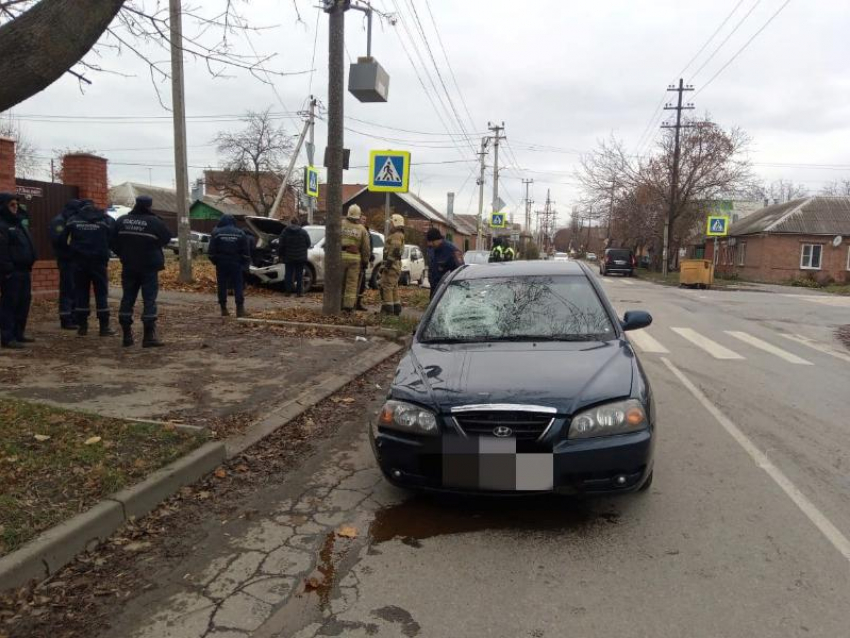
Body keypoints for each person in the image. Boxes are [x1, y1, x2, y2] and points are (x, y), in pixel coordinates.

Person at [111, 195, 172, 348]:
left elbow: (112, 242)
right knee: (149, 300)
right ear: (149, 206)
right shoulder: (155, 222)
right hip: (149, 267)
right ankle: (148, 337)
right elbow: (166, 238)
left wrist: (124, 254)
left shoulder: (122, 220)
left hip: (129, 266)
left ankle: (127, 337)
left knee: (127, 299)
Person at [60, 202, 116, 337]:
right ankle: (104, 327)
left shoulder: (73, 220)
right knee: (101, 294)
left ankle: (82, 327)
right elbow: (113, 238)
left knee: (81, 293)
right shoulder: (104, 220)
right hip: (99, 262)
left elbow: (62, 240)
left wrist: (72, 254)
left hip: (79, 263)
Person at [0, 193, 36, 349]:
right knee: (10, 304)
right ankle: (7, 337)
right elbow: (2, 251)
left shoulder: (19, 223)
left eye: (16, 205)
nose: (15, 208)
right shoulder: (2, 225)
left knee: (23, 303)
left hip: (24, 271)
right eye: (12, 205)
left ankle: (19, 333)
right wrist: (8, 270)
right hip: (12, 272)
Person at [49, 199, 83, 329]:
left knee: (75, 290)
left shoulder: (70, 220)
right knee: (68, 290)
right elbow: (59, 241)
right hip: (66, 261)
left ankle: (74, 317)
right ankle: (66, 319)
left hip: (74, 260)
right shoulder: (60, 221)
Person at [209, 215, 250, 317]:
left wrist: (216, 261)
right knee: (238, 284)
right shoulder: (240, 233)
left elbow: (211, 251)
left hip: (221, 262)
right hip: (236, 262)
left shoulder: (216, 233)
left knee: (222, 285)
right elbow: (246, 251)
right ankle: (240, 309)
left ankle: (223, 308)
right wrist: (243, 263)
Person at [340, 204, 371, 312]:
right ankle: (348, 307)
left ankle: (339, 304)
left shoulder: (340, 225)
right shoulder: (362, 229)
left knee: (340, 282)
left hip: (341, 257)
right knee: (352, 284)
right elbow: (366, 248)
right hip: (355, 259)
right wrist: (365, 261)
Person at [276, 217, 311, 297]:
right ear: (298, 223)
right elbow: (308, 243)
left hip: (288, 257)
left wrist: (280, 255)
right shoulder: (303, 232)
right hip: (300, 257)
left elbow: (281, 245)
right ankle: (299, 292)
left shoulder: (285, 232)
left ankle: (288, 292)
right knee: (299, 275)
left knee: (288, 274)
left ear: (291, 223)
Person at [426, 228, 463, 299]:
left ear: (437, 240)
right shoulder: (431, 249)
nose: (430, 245)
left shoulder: (452, 251)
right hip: (434, 290)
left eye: (431, 242)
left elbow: (460, 272)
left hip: (448, 292)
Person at [380, 214, 406, 315]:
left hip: (392, 265)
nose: (390, 224)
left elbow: (394, 251)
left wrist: (387, 265)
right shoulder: (398, 235)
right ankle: (396, 309)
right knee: (393, 287)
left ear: (395, 222)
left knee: (387, 287)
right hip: (394, 265)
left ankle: (388, 311)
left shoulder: (396, 236)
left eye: (391, 222)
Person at [356, 214, 376, 311]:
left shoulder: (367, 232)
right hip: (356, 259)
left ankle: (358, 302)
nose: (364, 220)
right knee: (355, 283)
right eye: (362, 219)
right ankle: (352, 303)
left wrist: (370, 256)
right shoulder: (357, 230)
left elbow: (369, 247)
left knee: (362, 283)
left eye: (365, 219)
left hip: (363, 261)